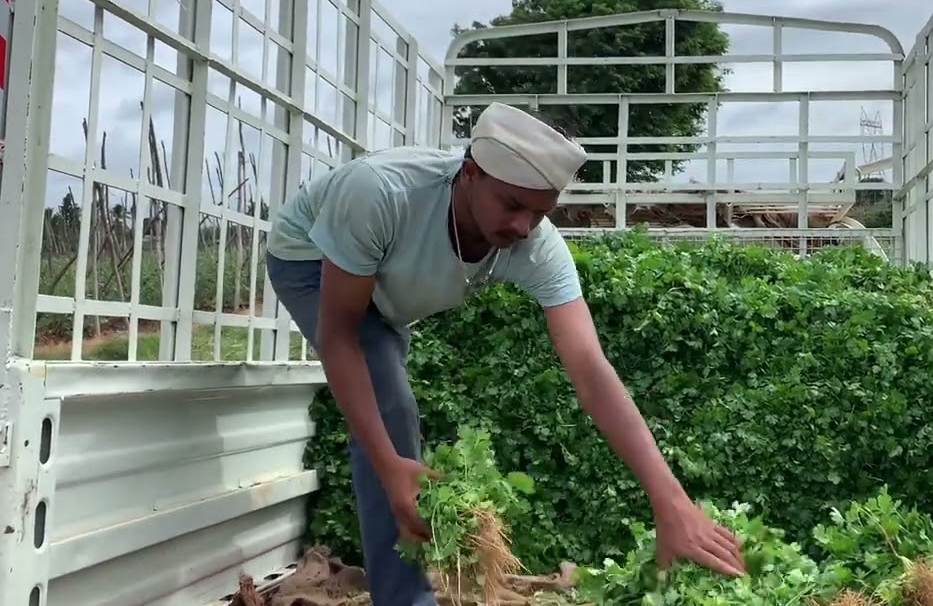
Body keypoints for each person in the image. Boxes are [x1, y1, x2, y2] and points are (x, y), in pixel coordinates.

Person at [264, 102, 745, 606]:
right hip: (310, 259)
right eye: (513, 205)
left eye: (540, 212)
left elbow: (590, 368)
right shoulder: (380, 193)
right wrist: (388, 463)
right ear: (469, 172)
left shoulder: (536, 245)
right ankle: (404, 600)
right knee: (387, 410)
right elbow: (340, 335)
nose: (523, 226)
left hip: (385, 288)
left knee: (382, 383)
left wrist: (670, 501)